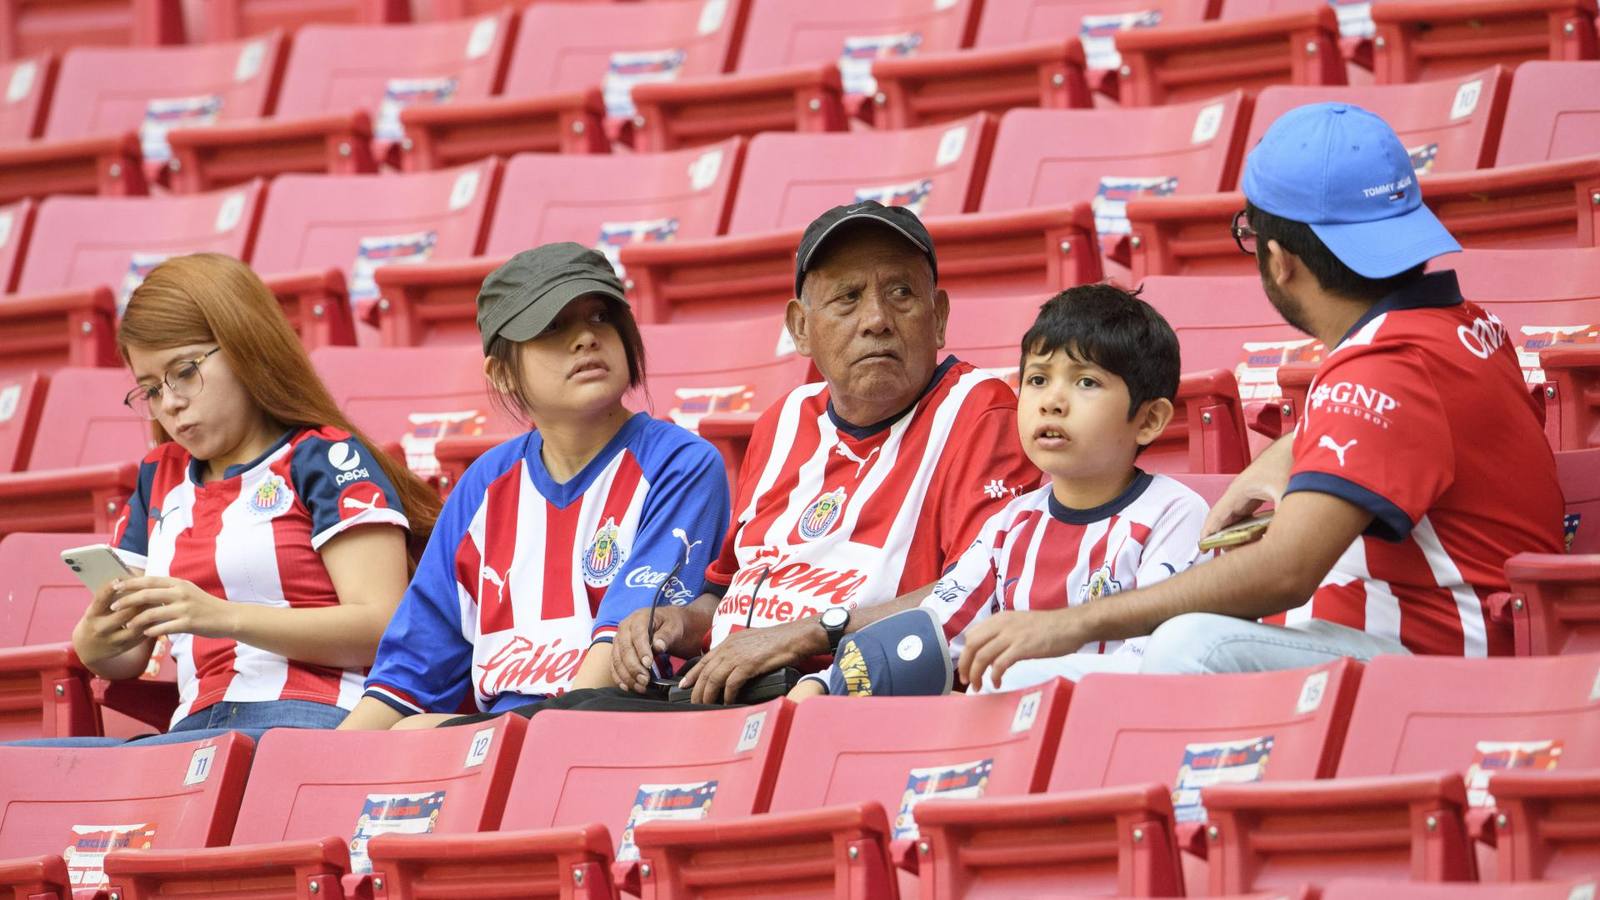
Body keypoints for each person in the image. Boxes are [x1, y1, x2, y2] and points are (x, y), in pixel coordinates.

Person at [955, 102, 1565, 692]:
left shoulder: (1382, 369)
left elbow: (1285, 572)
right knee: (1047, 674)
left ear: (1279, 260)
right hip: (1411, 643)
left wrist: (1074, 620)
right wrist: (1277, 457)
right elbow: (1408, 416)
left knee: (1191, 645)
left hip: (1439, 662)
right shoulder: (1459, 323)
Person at [608, 201, 1041, 705]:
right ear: (800, 329)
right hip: (725, 691)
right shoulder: (782, 422)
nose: (877, 319)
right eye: (847, 298)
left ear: (939, 317)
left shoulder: (981, 414)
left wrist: (807, 633)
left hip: (850, 697)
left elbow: (980, 592)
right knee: (571, 724)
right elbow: (724, 599)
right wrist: (675, 623)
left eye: (901, 293)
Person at [339, 243, 730, 729]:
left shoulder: (681, 464)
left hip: (615, 726)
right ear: (501, 372)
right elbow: (406, 679)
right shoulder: (483, 483)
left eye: (601, 316)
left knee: (413, 735)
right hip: (497, 738)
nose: (586, 337)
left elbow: (613, 669)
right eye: (551, 327)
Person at [51, 253, 437, 746]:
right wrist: (94, 643)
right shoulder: (159, 475)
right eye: (149, 389)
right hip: (193, 732)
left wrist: (220, 616)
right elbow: (126, 659)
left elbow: (384, 625)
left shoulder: (325, 457)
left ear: (245, 348)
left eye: (184, 371)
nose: (169, 402)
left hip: (310, 721)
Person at [792, 284, 1209, 699]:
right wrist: (828, 683)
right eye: (1038, 379)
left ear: (1150, 419)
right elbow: (937, 624)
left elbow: (1152, 665)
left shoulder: (1174, 515)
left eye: (1086, 382)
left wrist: (1004, 689)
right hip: (1007, 736)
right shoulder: (1009, 524)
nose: (1053, 402)